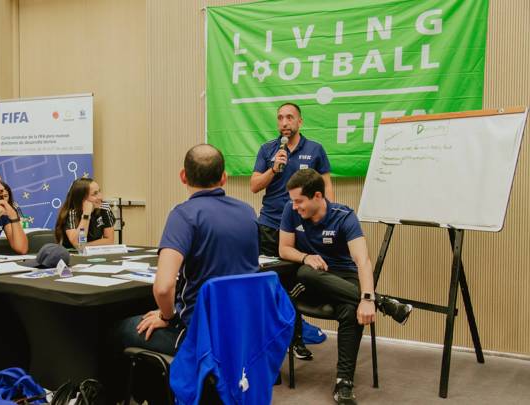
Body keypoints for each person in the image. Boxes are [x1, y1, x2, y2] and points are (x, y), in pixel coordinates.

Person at [278, 168, 413, 405]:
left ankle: (344, 382)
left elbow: (362, 260)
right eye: (293, 202)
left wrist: (367, 298)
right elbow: (284, 249)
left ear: (318, 196)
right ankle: (385, 303)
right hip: (310, 278)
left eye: (300, 201)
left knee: (353, 311)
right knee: (305, 273)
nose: (295, 206)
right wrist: (305, 257)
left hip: (343, 278)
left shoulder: (344, 215)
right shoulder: (291, 210)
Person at [117, 144, 259, 355]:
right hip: (243, 329)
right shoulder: (248, 212)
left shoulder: (184, 215)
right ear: (224, 178)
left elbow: (163, 287)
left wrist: (167, 317)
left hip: (198, 335)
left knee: (120, 329)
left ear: (183, 176)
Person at [250, 102, 334, 360]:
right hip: (269, 227)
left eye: (290, 117)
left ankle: (296, 339)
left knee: (294, 285)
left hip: (301, 230)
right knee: (266, 285)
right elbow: (254, 185)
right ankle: (266, 342)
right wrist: (273, 168)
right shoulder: (268, 150)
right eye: (280, 118)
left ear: (299, 122)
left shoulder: (315, 149)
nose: (284, 122)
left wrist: (328, 220)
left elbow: (327, 188)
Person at [54, 178, 115, 250]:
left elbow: (109, 240)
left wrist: (85, 246)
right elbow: (78, 243)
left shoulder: (104, 208)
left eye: (99, 191)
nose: (100, 197)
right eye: (94, 194)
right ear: (82, 198)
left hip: (94, 252)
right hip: (72, 255)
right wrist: (86, 214)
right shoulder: (71, 213)